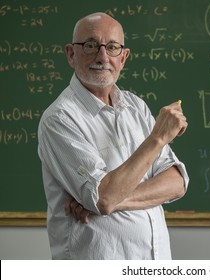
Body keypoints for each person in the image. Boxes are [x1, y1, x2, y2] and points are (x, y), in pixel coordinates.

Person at [37, 12, 189, 260]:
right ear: (71, 54)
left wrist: (113, 200)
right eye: (90, 45)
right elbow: (104, 197)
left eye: (112, 47)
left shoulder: (135, 106)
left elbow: (177, 182)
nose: (103, 56)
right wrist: (157, 139)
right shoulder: (60, 119)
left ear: (124, 57)